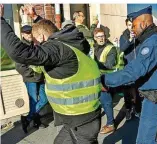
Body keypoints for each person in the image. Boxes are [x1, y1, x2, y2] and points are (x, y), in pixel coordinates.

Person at [1, 5, 101, 144]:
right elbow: (51, 32)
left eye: (35, 42)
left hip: (81, 120)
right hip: (79, 117)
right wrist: (36, 18)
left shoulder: (57, 49)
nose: (35, 46)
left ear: (41, 38)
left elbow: (19, 53)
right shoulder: (68, 44)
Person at [101, 6, 157, 144]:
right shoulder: (151, 40)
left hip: (155, 98)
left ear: (144, 24)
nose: (132, 29)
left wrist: (105, 79)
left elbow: (134, 71)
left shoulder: (152, 43)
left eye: (134, 26)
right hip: (155, 96)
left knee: (145, 140)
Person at [15, 25, 48, 133]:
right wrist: (32, 73)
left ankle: (28, 118)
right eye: (27, 33)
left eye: (30, 33)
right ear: (23, 34)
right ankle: (35, 120)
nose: (29, 35)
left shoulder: (35, 44)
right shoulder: (20, 47)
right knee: (33, 101)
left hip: (40, 78)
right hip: (31, 79)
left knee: (44, 100)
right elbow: (19, 66)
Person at [91, 28, 118, 134]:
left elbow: (109, 64)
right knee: (96, 101)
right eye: (99, 37)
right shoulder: (92, 48)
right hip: (94, 78)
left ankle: (111, 124)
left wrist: (93, 65)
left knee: (106, 101)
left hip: (105, 79)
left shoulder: (110, 48)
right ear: (95, 38)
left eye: (103, 36)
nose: (101, 38)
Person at [119, 18, 142, 120]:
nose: (131, 27)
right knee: (127, 91)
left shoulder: (138, 34)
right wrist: (129, 40)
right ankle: (128, 109)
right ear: (126, 25)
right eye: (129, 25)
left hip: (137, 66)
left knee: (137, 90)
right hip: (128, 66)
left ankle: (137, 109)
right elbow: (122, 48)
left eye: (132, 25)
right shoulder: (123, 36)